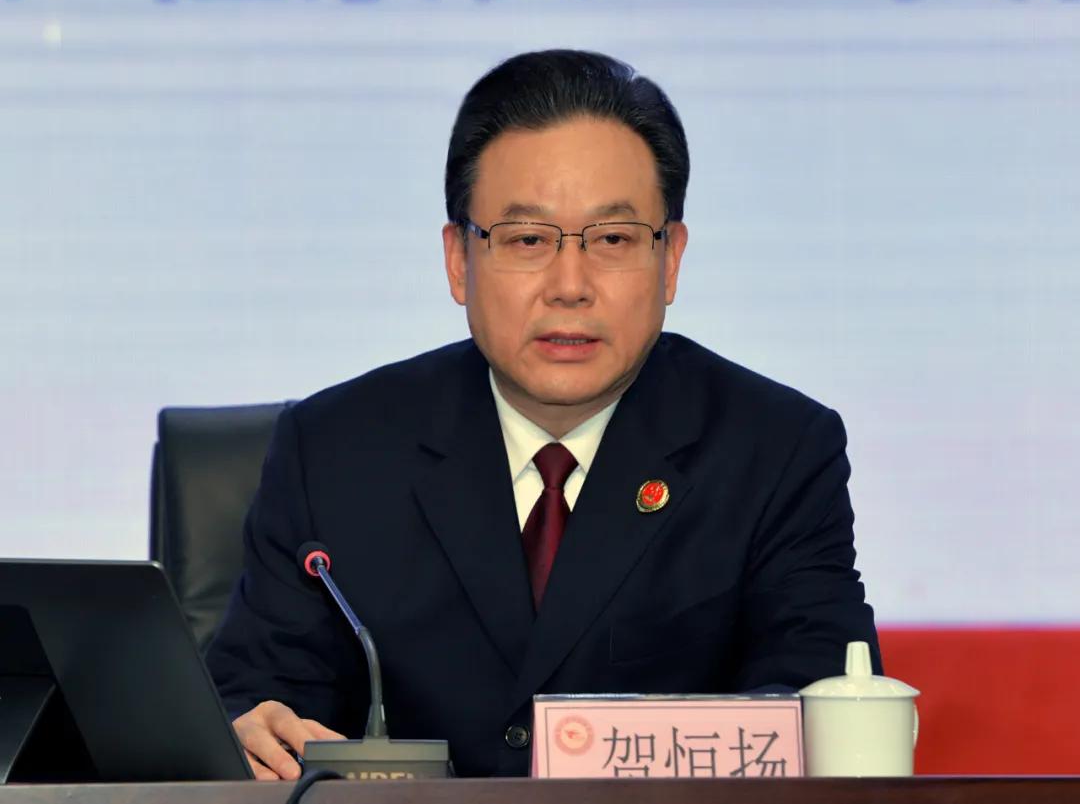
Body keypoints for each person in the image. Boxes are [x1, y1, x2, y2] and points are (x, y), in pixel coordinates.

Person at [206, 49, 880, 780]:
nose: (569, 285)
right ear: (458, 260)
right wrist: (247, 732)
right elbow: (254, 699)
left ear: (671, 259)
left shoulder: (776, 451)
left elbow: (819, 709)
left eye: (613, 240)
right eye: (527, 240)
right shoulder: (335, 451)